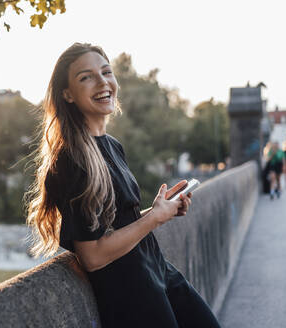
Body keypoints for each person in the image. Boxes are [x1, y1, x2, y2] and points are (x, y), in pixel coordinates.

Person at [25, 43, 221, 328]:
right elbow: (92, 255)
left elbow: (118, 225)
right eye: (86, 77)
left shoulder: (112, 146)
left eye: (106, 72)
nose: (103, 82)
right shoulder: (72, 159)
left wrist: (159, 211)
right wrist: (154, 218)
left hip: (158, 272)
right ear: (67, 94)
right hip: (134, 297)